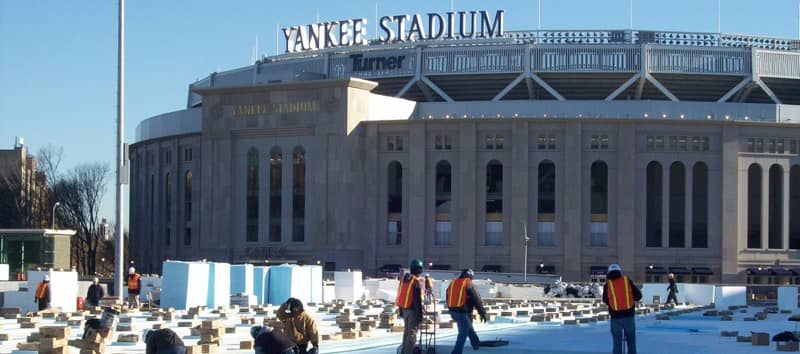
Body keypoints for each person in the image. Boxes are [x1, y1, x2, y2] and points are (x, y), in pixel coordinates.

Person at [602, 264, 643, 354]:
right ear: (620, 272)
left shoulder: (607, 284)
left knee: (617, 342)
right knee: (631, 341)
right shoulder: (627, 281)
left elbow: (605, 300)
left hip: (615, 317)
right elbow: (638, 296)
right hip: (629, 316)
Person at [446, 269, 487, 354]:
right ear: (470, 276)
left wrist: (451, 309)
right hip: (462, 312)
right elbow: (477, 299)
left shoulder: (453, 283)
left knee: (468, 328)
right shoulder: (468, 283)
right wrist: (482, 313)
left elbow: (447, 296)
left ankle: (476, 343)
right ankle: (456, 352)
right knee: (463, 334)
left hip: (453, 311)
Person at [396, 259, 425, 354]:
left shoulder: (405, 279)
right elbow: (417, 301)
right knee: (412, 334)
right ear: (419, 270)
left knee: (407, 332)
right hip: (413, 311)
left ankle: (404, 351)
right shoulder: (416, 282)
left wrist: (401, 310)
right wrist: (420, 317)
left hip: (404, 309)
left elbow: (400, 294)